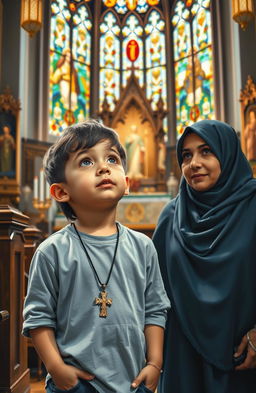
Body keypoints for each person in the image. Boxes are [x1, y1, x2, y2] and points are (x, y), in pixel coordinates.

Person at [22, 119, 170, 393]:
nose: (103, 167)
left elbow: (155, 309)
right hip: (75, 384)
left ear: (126, 184)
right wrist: (57, 369)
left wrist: (155, 363)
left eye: (112, 159)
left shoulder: (143, 247)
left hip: (133, 380)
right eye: (86, 162)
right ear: (61, 191)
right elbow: (38, 318)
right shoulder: (52, 251)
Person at [153, 119, 256, 393]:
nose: (194, 163)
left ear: (228, 153)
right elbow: (153, 294)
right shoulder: (171, 217)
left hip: (243, 355)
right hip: (182, 358)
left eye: (206, 151)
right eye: (186, 155)